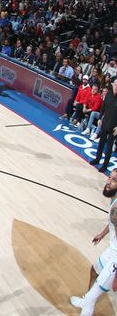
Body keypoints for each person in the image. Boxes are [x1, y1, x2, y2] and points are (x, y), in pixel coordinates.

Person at [70, 170, 117, 315]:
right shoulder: (114, 200)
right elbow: (113, 223)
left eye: (114, 180)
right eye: (110, 177)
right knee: (95, 270)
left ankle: (87, 302)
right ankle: (85, 301)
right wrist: (102, 234)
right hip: (113, 249)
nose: (108, 181)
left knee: (91, 298)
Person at [90, 80, 117, 172]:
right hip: (105, 122)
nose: (116, 87)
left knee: (109, 147)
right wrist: (100, 117)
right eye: (116, 85)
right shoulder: (109, 94)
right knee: (101, 143)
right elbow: (103, 106)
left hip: (114, 127)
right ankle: (97, 159)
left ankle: (105, 165)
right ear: (113, 85)